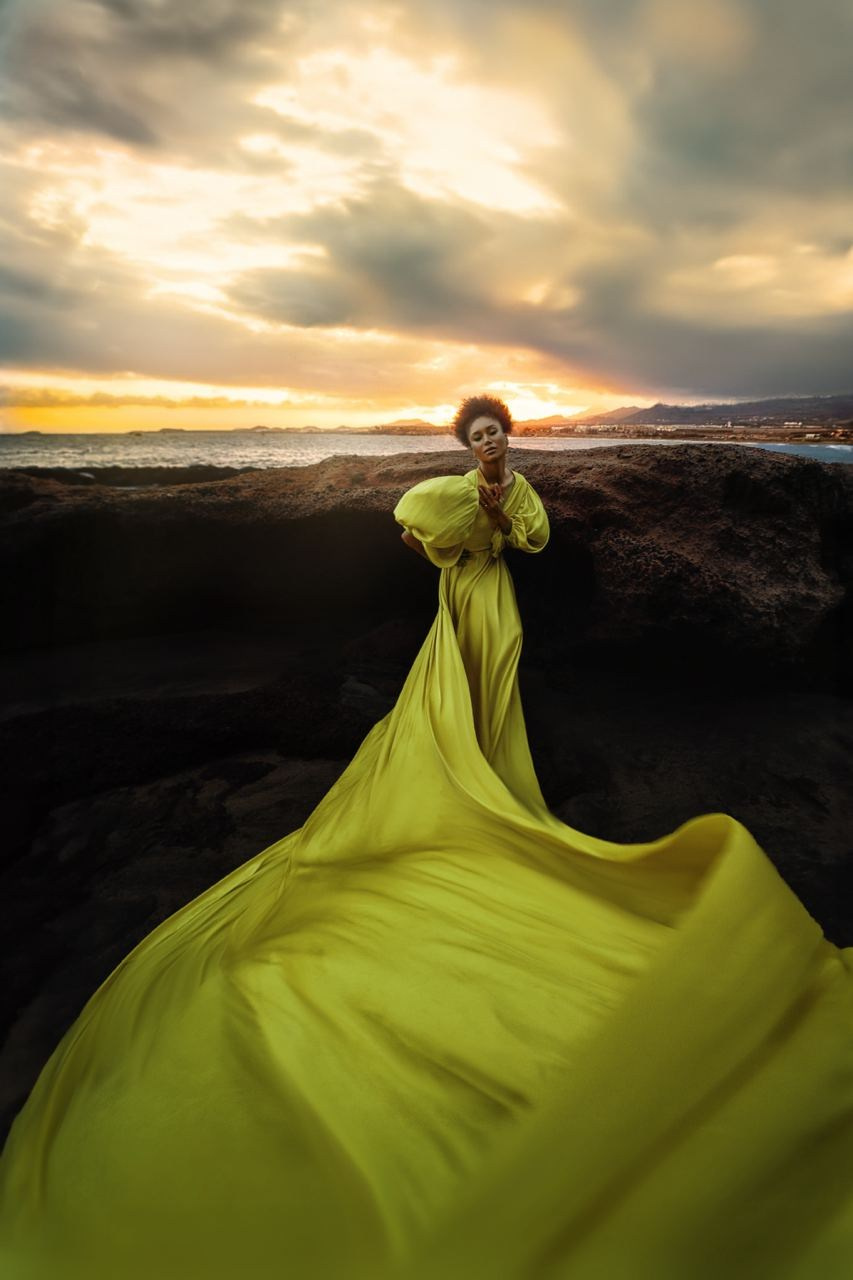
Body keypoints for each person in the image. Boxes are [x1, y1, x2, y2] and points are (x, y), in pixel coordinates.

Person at [1, 396, 852, 1280]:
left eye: (495, 435)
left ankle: (490, 762)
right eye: (475, 437)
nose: (486, 444)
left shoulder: (514, 490)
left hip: (497, 597)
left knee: (497, 674)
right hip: (458, 594)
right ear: (464, 443)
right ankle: (461, 762)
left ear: (508, 440)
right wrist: (436, 539)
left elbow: (534, 544)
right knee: (446, 688)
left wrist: (499, 509)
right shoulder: (447, 489)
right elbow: (426, 537)